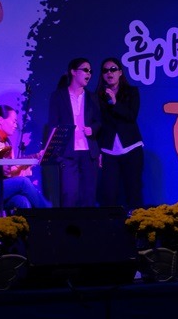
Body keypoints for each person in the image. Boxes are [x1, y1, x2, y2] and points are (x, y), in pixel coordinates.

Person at [0, 105, 51, 211]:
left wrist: (36, 156)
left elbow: (12, 166)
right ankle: (48, 212)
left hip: (1, 190)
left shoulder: (6, 143)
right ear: (0, 120)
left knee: (22, 201)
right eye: (14, 121)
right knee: (23, 182)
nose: (16, 125)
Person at [44, 57, 101, 207]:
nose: (89, 74)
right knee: (69, 194)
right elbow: (53, 124)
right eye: (85, 70)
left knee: (88, 195)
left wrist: (92, 129)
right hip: (68, 152)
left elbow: (99, 122)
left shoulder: (92, 97)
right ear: (73, 72)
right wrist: (52, 150)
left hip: (89, 152)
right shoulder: (58, 96)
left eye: (90, 71)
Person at [94, 57, 145, 210]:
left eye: (113, 69)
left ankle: (136, 222)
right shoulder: (97, 96)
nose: (109, 73)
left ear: (120, 72)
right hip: (109, 150)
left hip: (131, 148)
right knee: (109, 194)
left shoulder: (131, 92)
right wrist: (98, 150)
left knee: (133, 191)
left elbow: (131, 116)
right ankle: (111, 224)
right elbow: (98, 124)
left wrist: (115, 102)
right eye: (105, 70)